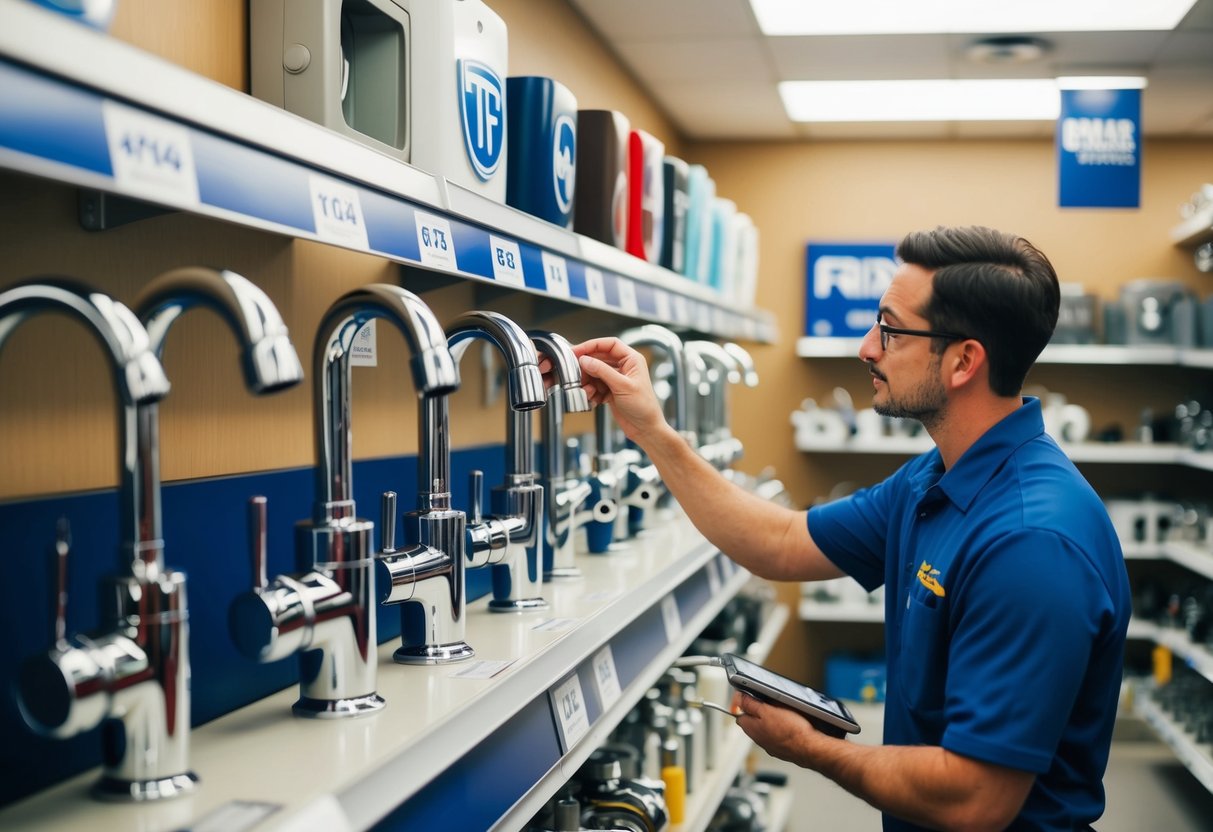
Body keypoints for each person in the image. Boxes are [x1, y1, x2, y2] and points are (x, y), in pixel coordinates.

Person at [571, 225, 1131, 831]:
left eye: (890, 329)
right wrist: (653, 429)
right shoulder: (934, 479)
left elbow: (974, 798)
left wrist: (811, 747)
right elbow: (781, 543)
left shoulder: (1031, 543)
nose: (867, 347)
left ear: (964, 361)